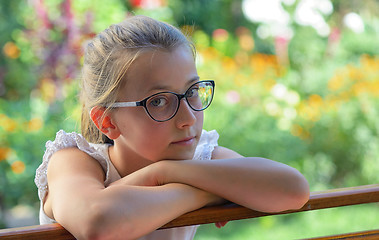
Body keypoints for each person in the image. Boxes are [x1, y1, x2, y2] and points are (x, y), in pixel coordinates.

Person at [34, 15, 310, 240]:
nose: (188, 118)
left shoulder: (194, 158)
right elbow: (98, 223)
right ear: (108, 121)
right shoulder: (75, 161)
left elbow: (293, 189)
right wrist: (213, 191)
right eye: (159, 101)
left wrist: (163, 172)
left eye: (192, 91)